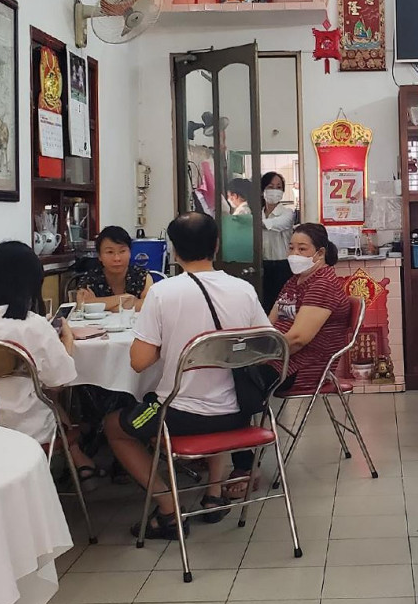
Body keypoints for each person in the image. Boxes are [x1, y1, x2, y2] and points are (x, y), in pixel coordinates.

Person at [104, 212, 271, 539]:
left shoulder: (163, 293)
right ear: (217, 245)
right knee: (220, 390)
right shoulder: (243, 290)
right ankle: (213, 493)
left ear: (174, 250)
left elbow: (139, 362)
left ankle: (168, 508)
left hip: (175, 417)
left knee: (114, 426)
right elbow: (264, 347)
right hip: (237, 413)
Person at [0, 241, 100, 480]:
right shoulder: (33, 326)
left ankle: (79, 458)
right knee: (47, 394)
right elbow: (59, 382)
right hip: (26, 426)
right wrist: (67, 340)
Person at [270, 222, 350, 392]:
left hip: (298, 367)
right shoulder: (294, 281)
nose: (294, 254)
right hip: (276, 357)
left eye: (302, 249)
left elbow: (297, 339)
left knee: (238, 379)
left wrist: (261, 355)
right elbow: (270, 323)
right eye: (291, 248)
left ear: (320, 253)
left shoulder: (323, 285)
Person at [78, 226, 153, 312]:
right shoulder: (89, 279)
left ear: (130, 252)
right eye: (110, 252)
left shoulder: (142, 277)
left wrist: (98, 303)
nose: (117, 258)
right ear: (99, 256)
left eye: (122, 251)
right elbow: (82, 305)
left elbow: (149, 306)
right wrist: (125, 298)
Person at [260, 171, 294, 312]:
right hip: (262, 266)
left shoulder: (288, 213)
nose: (275, 190)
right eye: (270, 186)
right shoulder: (258, 214)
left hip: (283, 266)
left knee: (282, 308)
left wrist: (253, 222)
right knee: (264, 305)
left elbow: (277, 224)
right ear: (262, 190)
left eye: (278, 187)